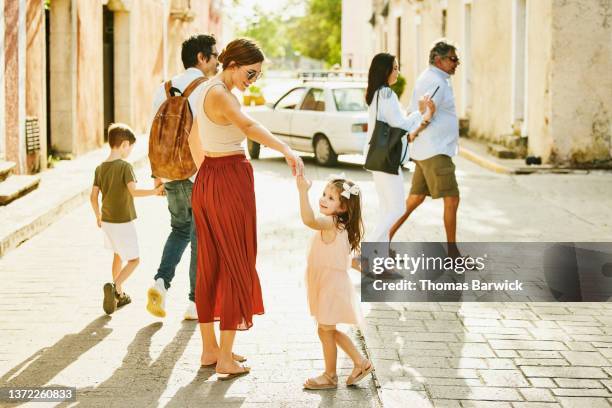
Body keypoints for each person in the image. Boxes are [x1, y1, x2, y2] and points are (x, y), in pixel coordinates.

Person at [189, 38, 304, 379]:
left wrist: (204, 177)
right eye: (250, 73)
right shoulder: (223, 95)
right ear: (234, 64)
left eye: (256, 76)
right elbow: (250, 127)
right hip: (227, 180)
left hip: (209, 177)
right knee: (236, 262)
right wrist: (287, 149)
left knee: (210, 266)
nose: (252, 81)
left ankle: (211, 350)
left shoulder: (205, 89)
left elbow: (195, 137)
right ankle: (224, 357)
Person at [146, 34, 219, 320]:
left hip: (169, 172)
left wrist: (157, 175)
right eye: (214, 54)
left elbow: (154, 134)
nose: (218, 60)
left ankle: (160, 284)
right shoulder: (207, 88)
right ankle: (195, 303)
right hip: (197, 173)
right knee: (201, 236)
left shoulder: (162, 89)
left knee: (179, 230)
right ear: (201, 58)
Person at [296, 174, 373, 389]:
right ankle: (360, 363)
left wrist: (303, 192)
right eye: (324, 194)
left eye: (331, 198)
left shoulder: (329, 222)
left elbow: (309, 220)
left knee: (326, 329)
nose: (323, 199)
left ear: (342, 208)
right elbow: (346, 258)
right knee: (326, 329)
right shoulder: (340, 226)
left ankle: (332, 375)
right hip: (329, 284)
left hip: (330, 286)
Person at [388, 40, 461, 254]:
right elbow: (426, 112)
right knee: (452, 198)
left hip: (427, 149)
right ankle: (453, 253)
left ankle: (383, 239)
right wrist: (414, 133)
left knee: (414, 199)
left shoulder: (434, 78)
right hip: (434, 150)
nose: (457, 63)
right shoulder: (435, 80)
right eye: (453, 59)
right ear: (439, 60)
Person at [90, 123, 164, 315]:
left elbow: (93, 196)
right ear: (124, 144)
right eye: (130, 147)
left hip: (106, 220)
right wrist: (155, 191)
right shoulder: (125, 167)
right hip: (123, 221)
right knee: (134, 260)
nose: (130, 151)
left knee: (118, 254)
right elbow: (134, 191)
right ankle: (115, 286)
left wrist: (98, 215)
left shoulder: (100, 168)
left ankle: (119, 294)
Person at [364, 53, 435, 243]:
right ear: (384, 71)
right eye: (394, 68)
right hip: (388, 158)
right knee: (397, 209)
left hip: (377, 157)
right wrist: (420, 111)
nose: (398, 72)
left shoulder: (376, 93)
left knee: (386, 210)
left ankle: (380, 263)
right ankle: (365, 251)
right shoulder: (387, 93)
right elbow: (401, 125)